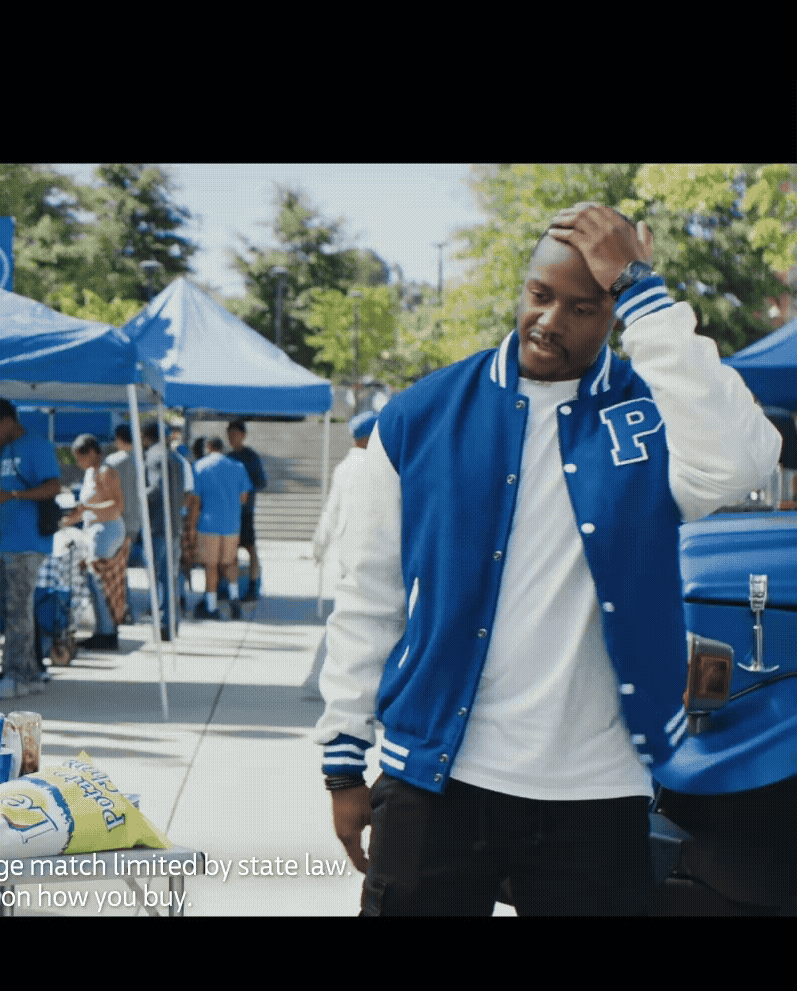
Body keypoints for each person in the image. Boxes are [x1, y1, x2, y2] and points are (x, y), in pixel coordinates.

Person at [317, 204, 783, 915]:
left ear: (614, 312)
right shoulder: (420, 416)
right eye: (540, 294)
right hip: (439, 778)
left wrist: (645, 295)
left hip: (598, 794)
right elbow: (370, 598)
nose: (550, 320)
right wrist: (343, 758)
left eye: (584, 307)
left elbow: (745, 459)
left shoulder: (652, 416)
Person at [0, 398, 62, 699]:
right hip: (5, 541)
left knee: (18, 610)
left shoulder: (36, 445)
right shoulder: (3, 453)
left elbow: (54, 487)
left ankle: (20, 676)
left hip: (27, 543)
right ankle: (24, 670)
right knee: (9, 609)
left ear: (8, 422)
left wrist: (13, 495)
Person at [301, 409, 378, 700]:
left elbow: (330, 513)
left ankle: (317, 676)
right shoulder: (372, 467)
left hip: (347, 556)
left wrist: (319, 546)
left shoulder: (345, 467)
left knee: (343, 619)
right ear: (370, 438)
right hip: (366, 557)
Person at [63, 434, 124, 651]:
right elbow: (86, 508)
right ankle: (102, 630)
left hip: (107, 530)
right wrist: (67, 521)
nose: (78, 463)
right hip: (95, 530)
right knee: (93, 583)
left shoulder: (106, 471)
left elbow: (116, 506)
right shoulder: (91, 473)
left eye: (80, 458)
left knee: (100, 583)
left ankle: (107, 632)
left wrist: (86, 510)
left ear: (91, 453)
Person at [142, 420, 198, 641]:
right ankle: (171, 622)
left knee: (157, 577)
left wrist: (136, 499)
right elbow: (185, 495)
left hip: (157, 525)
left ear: (146, 436)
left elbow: (155, 490)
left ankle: (162, 622)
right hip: (174, 525)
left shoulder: (154, 456)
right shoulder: (176, 458)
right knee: (170, 577)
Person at [191, 436, 252, 621]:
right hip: (232, 522)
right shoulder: (238, 467)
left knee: (210, 566)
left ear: (208, 447)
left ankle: (211, 607)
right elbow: (244, 497)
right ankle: (234, 599)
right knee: (230, 562)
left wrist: (192, 526)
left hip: (208, 523)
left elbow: (195, 500)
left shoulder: (200, 467)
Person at [225, 419, 268, 602]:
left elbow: (262, 483)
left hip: (246, 511)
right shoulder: (227, 458)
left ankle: (253, 585)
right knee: (230, 552)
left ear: (243, 436)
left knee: (251, 549)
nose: (232, 438)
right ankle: (230, 587)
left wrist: (244, 486)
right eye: (229, 435)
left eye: (235, 434)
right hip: (229, 511)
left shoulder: (251, 457)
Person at [107, 425, 144, 568]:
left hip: (115, 519)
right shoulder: (141, 460)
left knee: (113, 565)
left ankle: (120, 590)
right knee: (123, 561)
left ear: (119, 438)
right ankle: (124, 590)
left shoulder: (112, 461)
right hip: (134, 521)